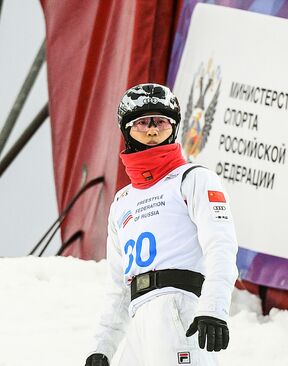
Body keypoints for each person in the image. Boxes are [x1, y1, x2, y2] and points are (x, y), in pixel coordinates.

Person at [85, 83, 238, 366]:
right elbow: (119, 284)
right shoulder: (122, 201)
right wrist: (102, 347)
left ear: (175, 128)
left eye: (162, 122)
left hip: (179, 307)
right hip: (139, 318)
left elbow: (221, 245)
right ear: (126, 130)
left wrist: (214, 308)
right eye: (143, 123)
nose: (153, 131)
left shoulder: (194, 179)